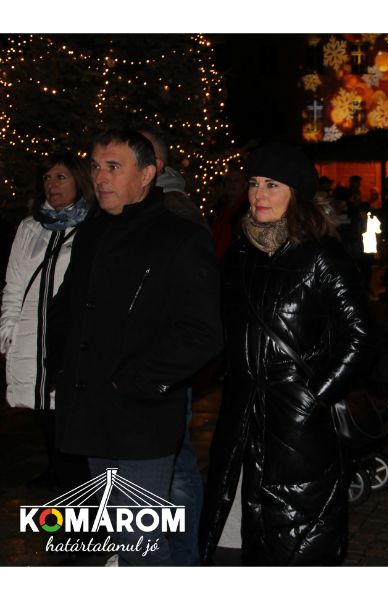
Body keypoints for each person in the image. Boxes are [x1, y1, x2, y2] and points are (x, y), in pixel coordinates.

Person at [48, 129, 223, 566]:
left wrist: (139, 381)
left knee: (139, 542)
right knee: (122, 535)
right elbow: (68, 307)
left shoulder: (180, 237)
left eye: (113, 167)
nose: (100, 177)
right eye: (96, 166)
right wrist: (61, 369)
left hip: (141, 418)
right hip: (92, 413)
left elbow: (202, 333)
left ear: (147, 174)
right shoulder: (91, 232)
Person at [199, 143, 370, 566]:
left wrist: (314, 396)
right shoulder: (238, 255)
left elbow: (361, 337)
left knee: (295, 541)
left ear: (297, 193)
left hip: (297, 429)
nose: (258, 193)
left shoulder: (322, 256)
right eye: (254, 183)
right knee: (230, 536)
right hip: (239, 420)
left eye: (272, 185)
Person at [0, 150, 94, 491]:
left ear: (79, 181)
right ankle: (64, 485)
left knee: (70, 426)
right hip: (31, 339)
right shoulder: (30, 227)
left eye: (61, 177)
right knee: (46, 419)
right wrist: (7, 334)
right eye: (47, 178)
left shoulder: (93, 227)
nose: (52, 184)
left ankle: (82, 500)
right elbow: (14, 285)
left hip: (70, 343)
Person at [138, 122, 209, 566]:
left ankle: (184, 561)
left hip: (164, 362)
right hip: (146, 361)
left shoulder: (175, 210)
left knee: (176, 465)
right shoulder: (130, 208)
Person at [210, 167, 249, 260]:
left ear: (245, 184)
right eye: (228, 180)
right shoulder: (219, 207)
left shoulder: (248, 210)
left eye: (236, 180)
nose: (232, 183)